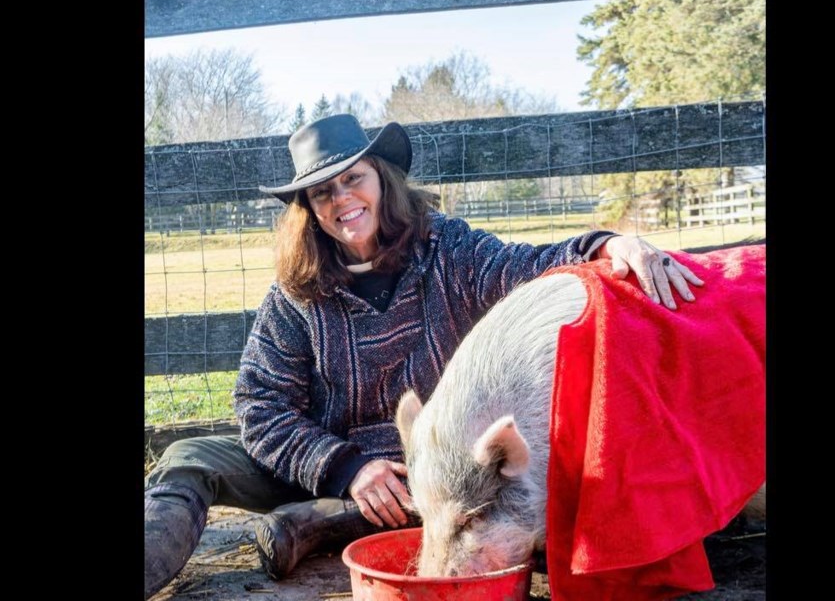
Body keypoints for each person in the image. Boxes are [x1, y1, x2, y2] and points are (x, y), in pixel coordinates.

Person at [144, 114, 703, 599]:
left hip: (435, 476)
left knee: (477, 508)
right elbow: (259, 405)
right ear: (308, 211)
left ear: (381, 180)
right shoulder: (297, 292)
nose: (342, 200)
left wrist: (602, 246)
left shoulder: (447, 250)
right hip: (329, 460)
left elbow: (524, 267)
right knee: (191, 455)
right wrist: (344, 467)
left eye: (352, 179)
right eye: (322, 193)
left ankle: (316, 525)